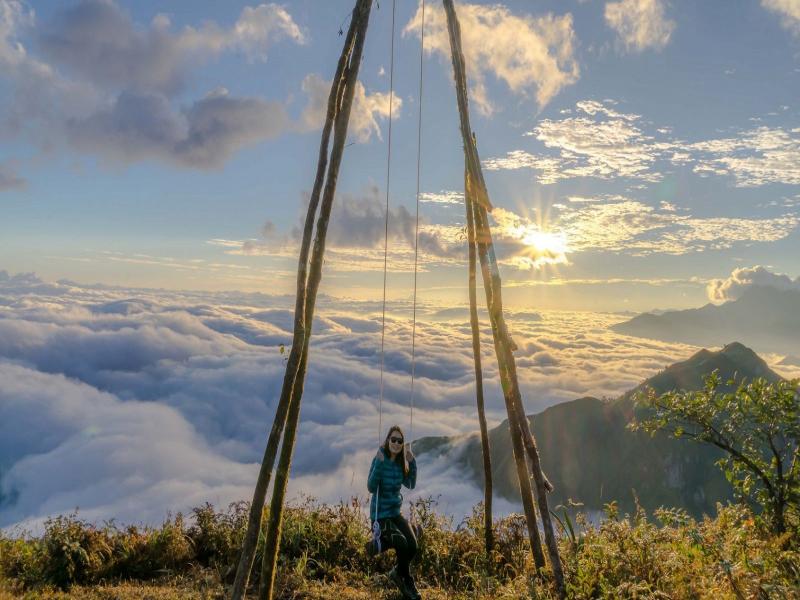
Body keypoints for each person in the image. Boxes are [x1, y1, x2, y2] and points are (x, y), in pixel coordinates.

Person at [367, 425, 420, 600]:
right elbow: (371, 487)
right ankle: (407, 580)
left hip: (395, 513)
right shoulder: (379, 459)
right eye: (393, 439)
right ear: (388, 440)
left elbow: (410, 484)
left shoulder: (399, 464)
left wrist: (412, 463)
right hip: (380, 515)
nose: (396, 443)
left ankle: (396, 572)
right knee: (401, 543)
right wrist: (379, 464)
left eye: (400, 441)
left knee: (413, 545)